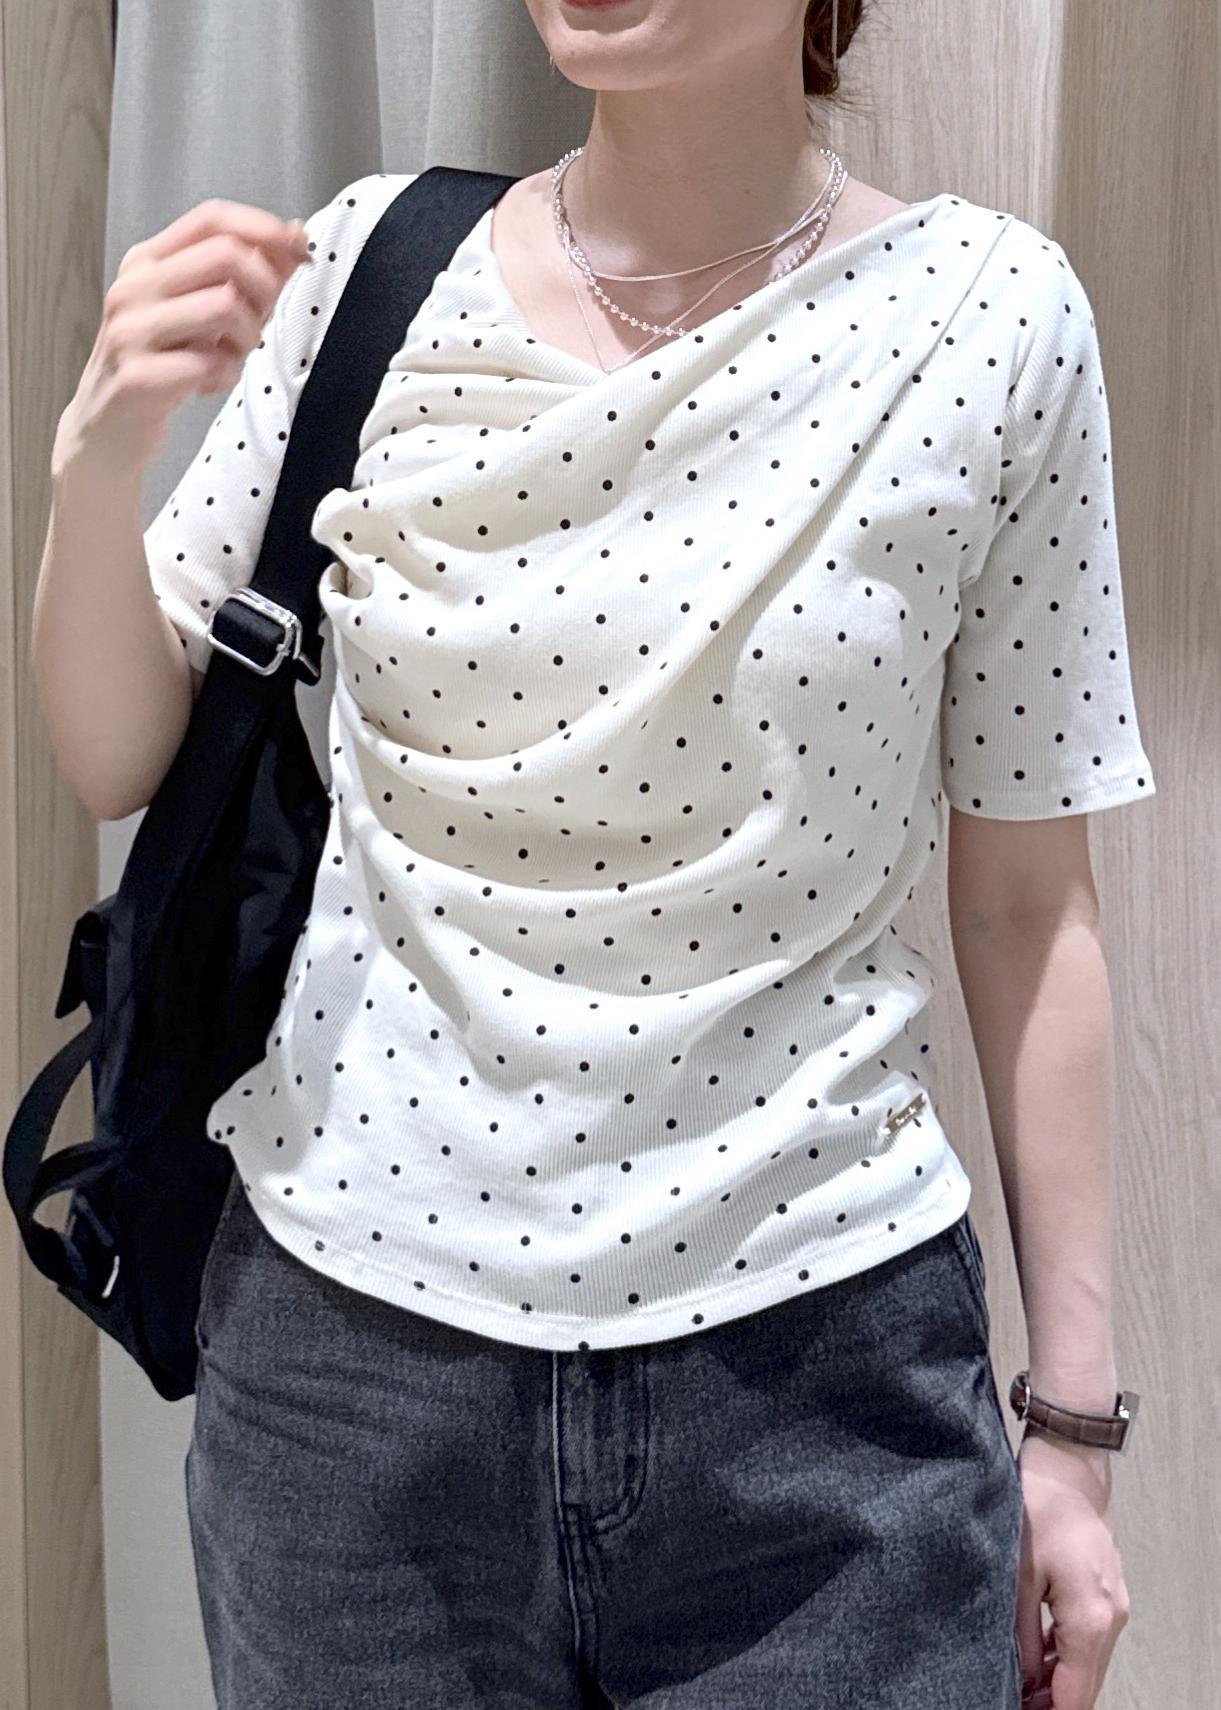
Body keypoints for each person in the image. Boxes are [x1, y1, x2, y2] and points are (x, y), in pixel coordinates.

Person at [35, 1, 1153, 1705]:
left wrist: (1068, 1431)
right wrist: (94, 462)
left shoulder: (989, 318)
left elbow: (1024, 906)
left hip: (826, 1388)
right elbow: (116, 752)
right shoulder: (372, 270)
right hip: (350, 1387)